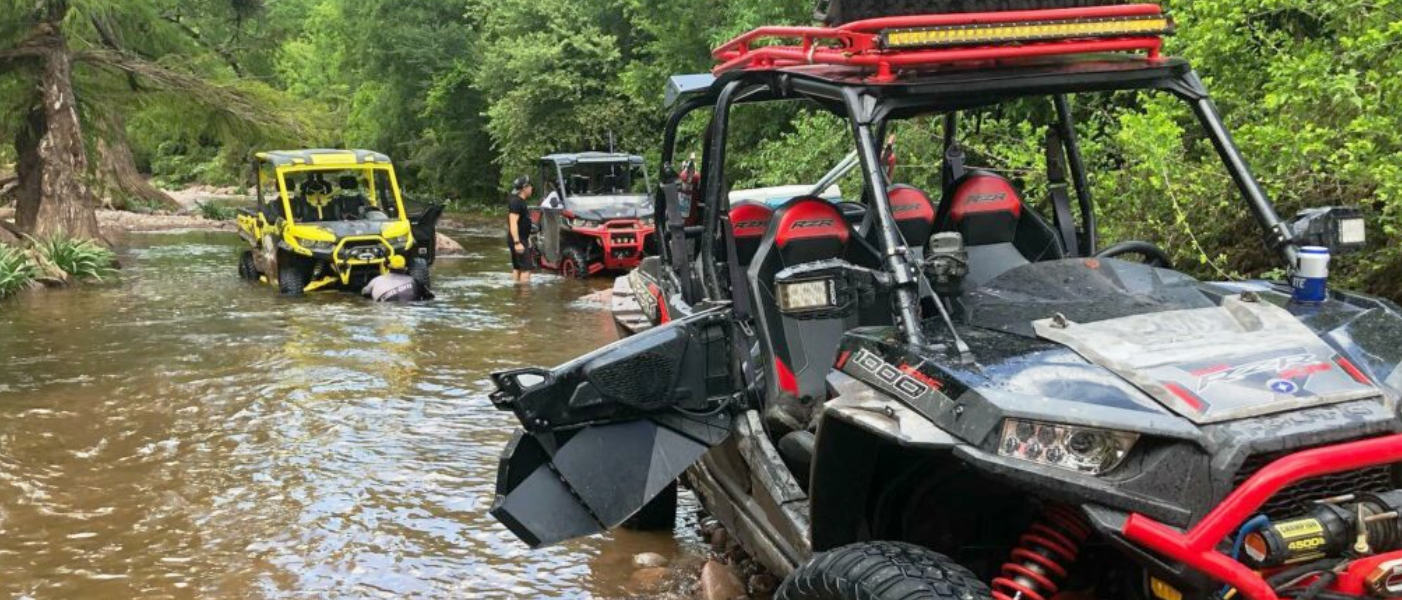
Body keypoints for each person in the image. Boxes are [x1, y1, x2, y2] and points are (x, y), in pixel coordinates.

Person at [362, 256, 433, 302]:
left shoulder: (377, 280)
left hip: (385, 305)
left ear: (389, 267)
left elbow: (365, 293)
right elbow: (429, 297)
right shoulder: (413, 281)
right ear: (405, 269)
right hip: (409, 307)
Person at [506, 176, 535, 284]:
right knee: (527, 269)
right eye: (530, 186)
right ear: (524, 188)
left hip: (520, 238)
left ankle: (517, 293)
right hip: (517, 240)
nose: (532, 188)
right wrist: (517, 242)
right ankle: (524, 298)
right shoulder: (516, 202)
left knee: (517, 267)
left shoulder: (519, 201)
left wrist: (526, 239)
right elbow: (513, 222)